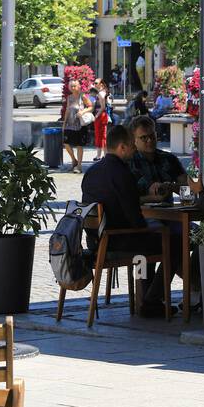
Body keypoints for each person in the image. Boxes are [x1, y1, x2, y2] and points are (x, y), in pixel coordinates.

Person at [81, 125, 175, 317]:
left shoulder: (92, 172)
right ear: (122, 147)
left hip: (96, 240)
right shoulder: (123, 174)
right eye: (132, 145)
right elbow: (135, 220)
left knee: (148, 246)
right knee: (173, 244)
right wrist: (152, 226)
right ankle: (151, 299)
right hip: (120, 241)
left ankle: (147, 298)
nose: (134, 149)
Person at [130, 115, 191, 200]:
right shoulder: (128, 163)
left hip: (169, 212)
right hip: (140, 212)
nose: (150, 140)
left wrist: (170, 186)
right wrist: (151, 198)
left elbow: (188, 192)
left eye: (152, 136)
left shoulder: (169, 159)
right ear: (133, 140)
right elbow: (123, 200)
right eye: (144, 137)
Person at [62, 79, 92, 174]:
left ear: (79, 86)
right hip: (70, 124)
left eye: (74, 86)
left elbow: (91, 106)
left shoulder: (82, 96)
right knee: (66, 143)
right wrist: (64, 122)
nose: (73, 88)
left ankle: (79, 165)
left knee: (79, 145)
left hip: (80, 124)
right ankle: (74, 160)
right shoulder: (69, 97)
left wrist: (83, 111)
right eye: (71, 86)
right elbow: (67, 109)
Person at [92, 79, 111, 161]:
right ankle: (102, 155)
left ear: (101, 84)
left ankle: (102, 155)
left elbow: (102, 107)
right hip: (103, 116)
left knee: (100, 136)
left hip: (101, 116)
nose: (94, 84)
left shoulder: (100, 94)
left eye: (96, 83)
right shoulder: (104, 92)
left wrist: (96, 115)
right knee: (102, 135)